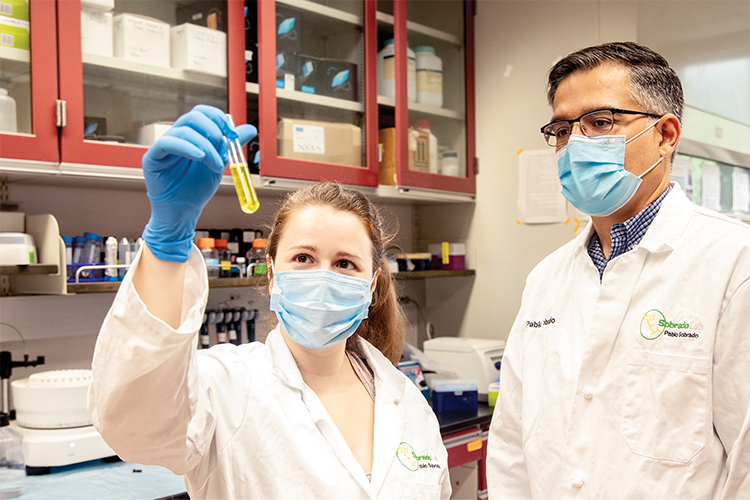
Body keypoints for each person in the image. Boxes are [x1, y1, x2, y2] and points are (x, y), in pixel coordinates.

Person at [87, 105, 451, 500]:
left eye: (345, 263)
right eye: (303, 258)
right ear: (273, 273)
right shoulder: (227, 387)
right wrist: (167, 244)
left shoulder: (407, 401)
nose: (323, 277)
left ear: (372, 284)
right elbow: (138, 424)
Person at [487, 42, 750, 499]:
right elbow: (512, 442)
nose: (575, 145)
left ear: (666, 135)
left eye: (600, 122)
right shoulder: (546, 280)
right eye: (563, 130)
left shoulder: (733, 263)